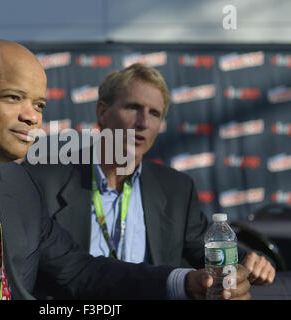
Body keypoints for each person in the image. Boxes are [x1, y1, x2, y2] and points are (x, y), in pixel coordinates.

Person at [0, 39, 250, 300]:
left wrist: (184, 283)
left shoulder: (16, 181)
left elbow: (79, 272)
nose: (31, 116)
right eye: (13, 98)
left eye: (39, 104)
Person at [23, 63, 275, 289]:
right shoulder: (43, 180)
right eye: (133, 107)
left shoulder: (176, 188)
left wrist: (247, 261)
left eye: (154, 113)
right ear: (102, 112)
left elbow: (206, 249)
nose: (143, 122)